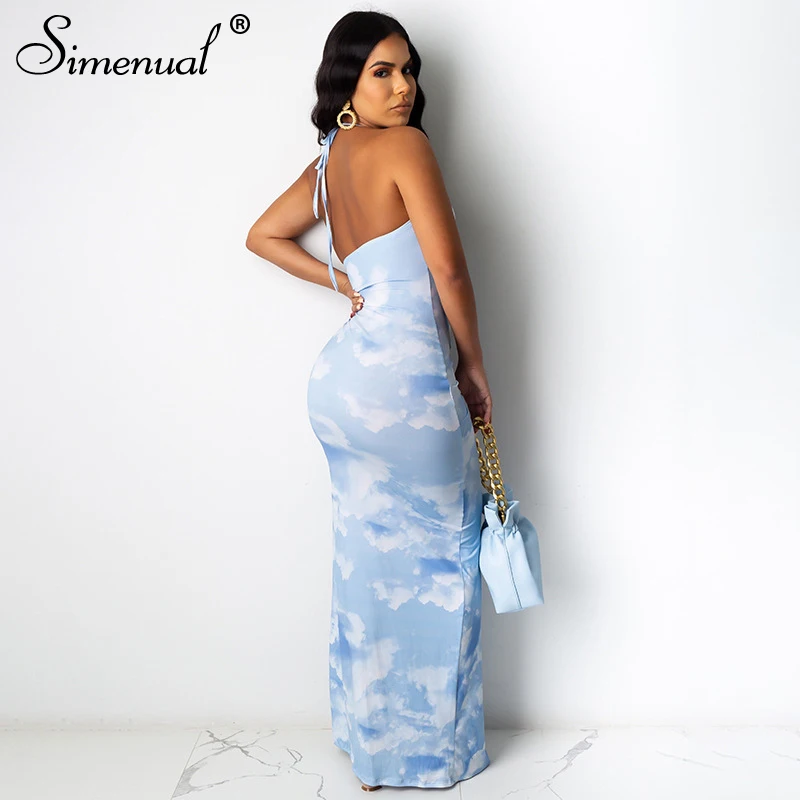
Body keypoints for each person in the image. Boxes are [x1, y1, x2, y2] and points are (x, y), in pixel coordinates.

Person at [245, 11, 492, 791]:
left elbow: (263, 234)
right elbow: (449, 272)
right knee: (445, 561)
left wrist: (346, 281)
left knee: (366, 565)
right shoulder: (406, 147)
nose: (402, 86)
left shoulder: (330, 159)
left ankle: (369, 749)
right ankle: (429, 757)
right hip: (407, 387)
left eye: (407, 69)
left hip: (343, 387)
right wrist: (474, 367)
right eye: (382, 71)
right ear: (346, 80)